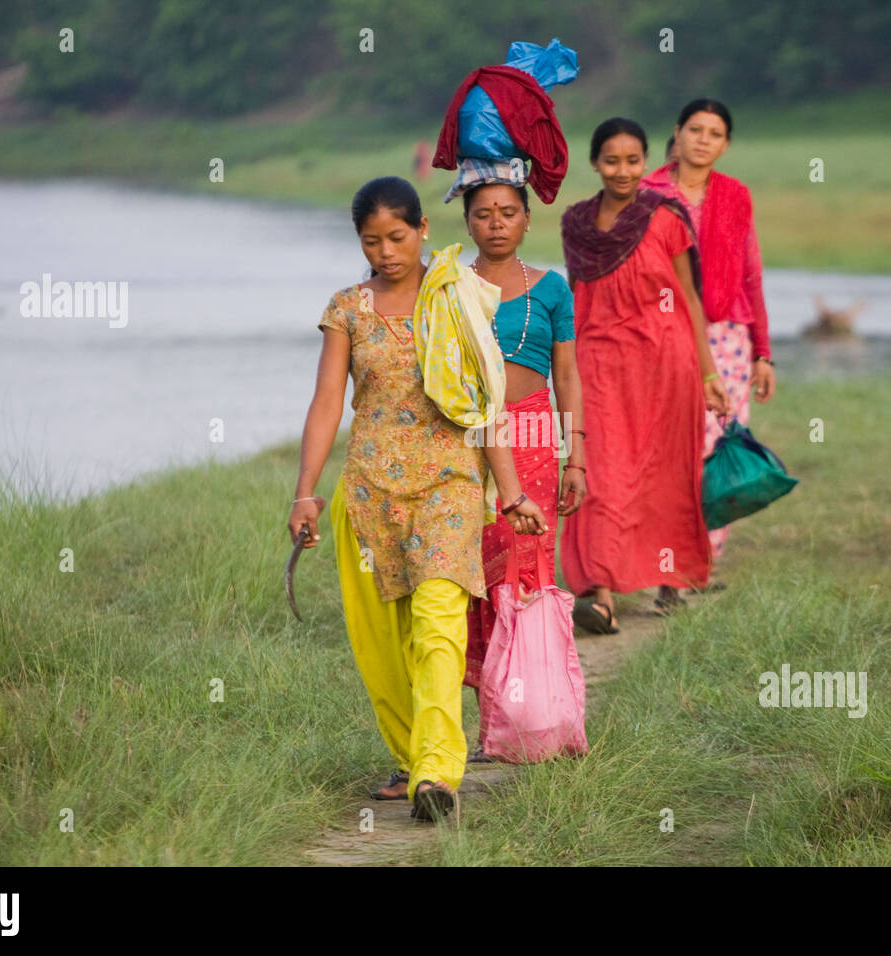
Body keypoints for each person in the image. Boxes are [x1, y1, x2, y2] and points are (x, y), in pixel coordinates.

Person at [288, 176, 547, 822]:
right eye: (371, 241)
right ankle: (411, 756)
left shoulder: (456, 299)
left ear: (423, 229)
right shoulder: (347, 308)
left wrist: (509, 491)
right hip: (371, 494)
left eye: (397, 237)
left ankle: (436, 774)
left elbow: (486, 400)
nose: (385, 251)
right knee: (383, 641)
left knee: (438, 630)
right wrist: (306, 493)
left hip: (449, 489)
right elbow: (326, 404)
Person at [559, 118, 728, 632]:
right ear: (594, 163)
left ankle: (669, 578)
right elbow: (575, 298)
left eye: (633, 160)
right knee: (599, 472)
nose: (623, 171)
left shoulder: (667, 217)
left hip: (665, 361)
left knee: (664, 471)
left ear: (647, 162)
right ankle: (601, 595)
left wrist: (707, 372)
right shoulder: (576, 223)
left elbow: (690, 298)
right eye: (612, 160)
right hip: (599, 362)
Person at [447, 161, 587, 757]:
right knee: (476, 572)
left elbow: (568, 376)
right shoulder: (448, 286)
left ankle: (539, 716)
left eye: (508, 213)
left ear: (528, 220)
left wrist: (574, 456)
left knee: (526, 569)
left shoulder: (552, 288)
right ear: (467, 222)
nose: (496, 224)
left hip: (532, 436)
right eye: (483, 214)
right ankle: (491, 721)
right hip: (463, 443)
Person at [643, 98, 775, 564]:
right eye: (695, 129)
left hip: (727, 336)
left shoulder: (735, 195)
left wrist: (763, 352)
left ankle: (700, 556)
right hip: (660, 333)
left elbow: (751, 274)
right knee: (668, 445)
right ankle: (666, 555)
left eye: (714, 133)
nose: (703, 140)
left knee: (715, 441)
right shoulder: (646, 191)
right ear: (677, 134)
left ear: (726, 145)